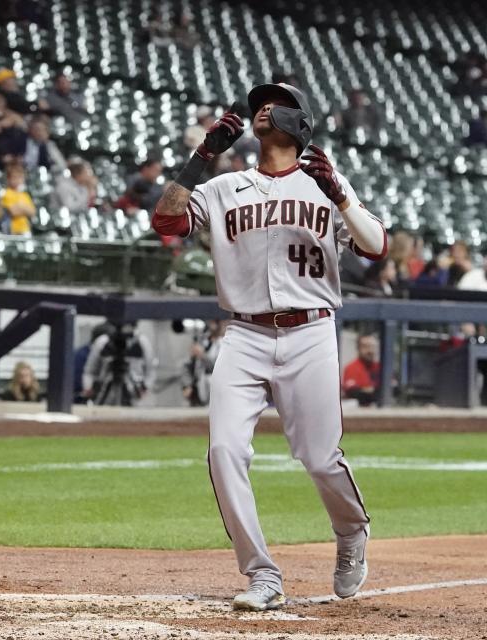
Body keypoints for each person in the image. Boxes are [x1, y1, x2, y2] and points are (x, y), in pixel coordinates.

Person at [151, 82, 387, 610]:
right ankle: (262, 575)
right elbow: (166, 221)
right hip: (245, 334)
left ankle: (351, 533)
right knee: (224, 451)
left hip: (310, 332)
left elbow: (376, 248)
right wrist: (202, 156)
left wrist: (342, 196)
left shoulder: (324, 182)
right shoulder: (223, 186)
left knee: (320, 458)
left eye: (275, 102)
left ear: (299, 122)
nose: (262, 107)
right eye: (259, 101)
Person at [81, 323, 156, 406]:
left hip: (134, 397)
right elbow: (90, 370)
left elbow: (151, 370)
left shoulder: (142, 342)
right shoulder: (103, 342)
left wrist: (145, 387)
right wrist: (88, 387)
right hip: (104, 394)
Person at [181, 321, 224, 407]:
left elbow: (220, 369)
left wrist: (202, 355)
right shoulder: (201, 340)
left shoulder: (225, 343)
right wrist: (187, 385)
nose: (213, 324)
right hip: (197, 392)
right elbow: (187, 366)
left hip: (217, 394)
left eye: (216, 321)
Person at [342, 334, 381, 406]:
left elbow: (394, 390)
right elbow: (353, 393)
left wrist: (367, 390)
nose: (370, 350)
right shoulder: (351, 368)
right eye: (365, 346)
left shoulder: (380, 367)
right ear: (358, 348)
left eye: (372, 346)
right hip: (359, 412)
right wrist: (376, 390)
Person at [0, 163, 35, 235]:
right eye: (14, 177)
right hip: (12, 230)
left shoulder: (25, 195)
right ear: (8, 179)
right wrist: (24, 207)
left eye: (20, 177)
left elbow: (32, 212)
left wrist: (20, 206)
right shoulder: (6, 193)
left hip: (25, 230)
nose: (17, 180)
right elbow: (13, 211)